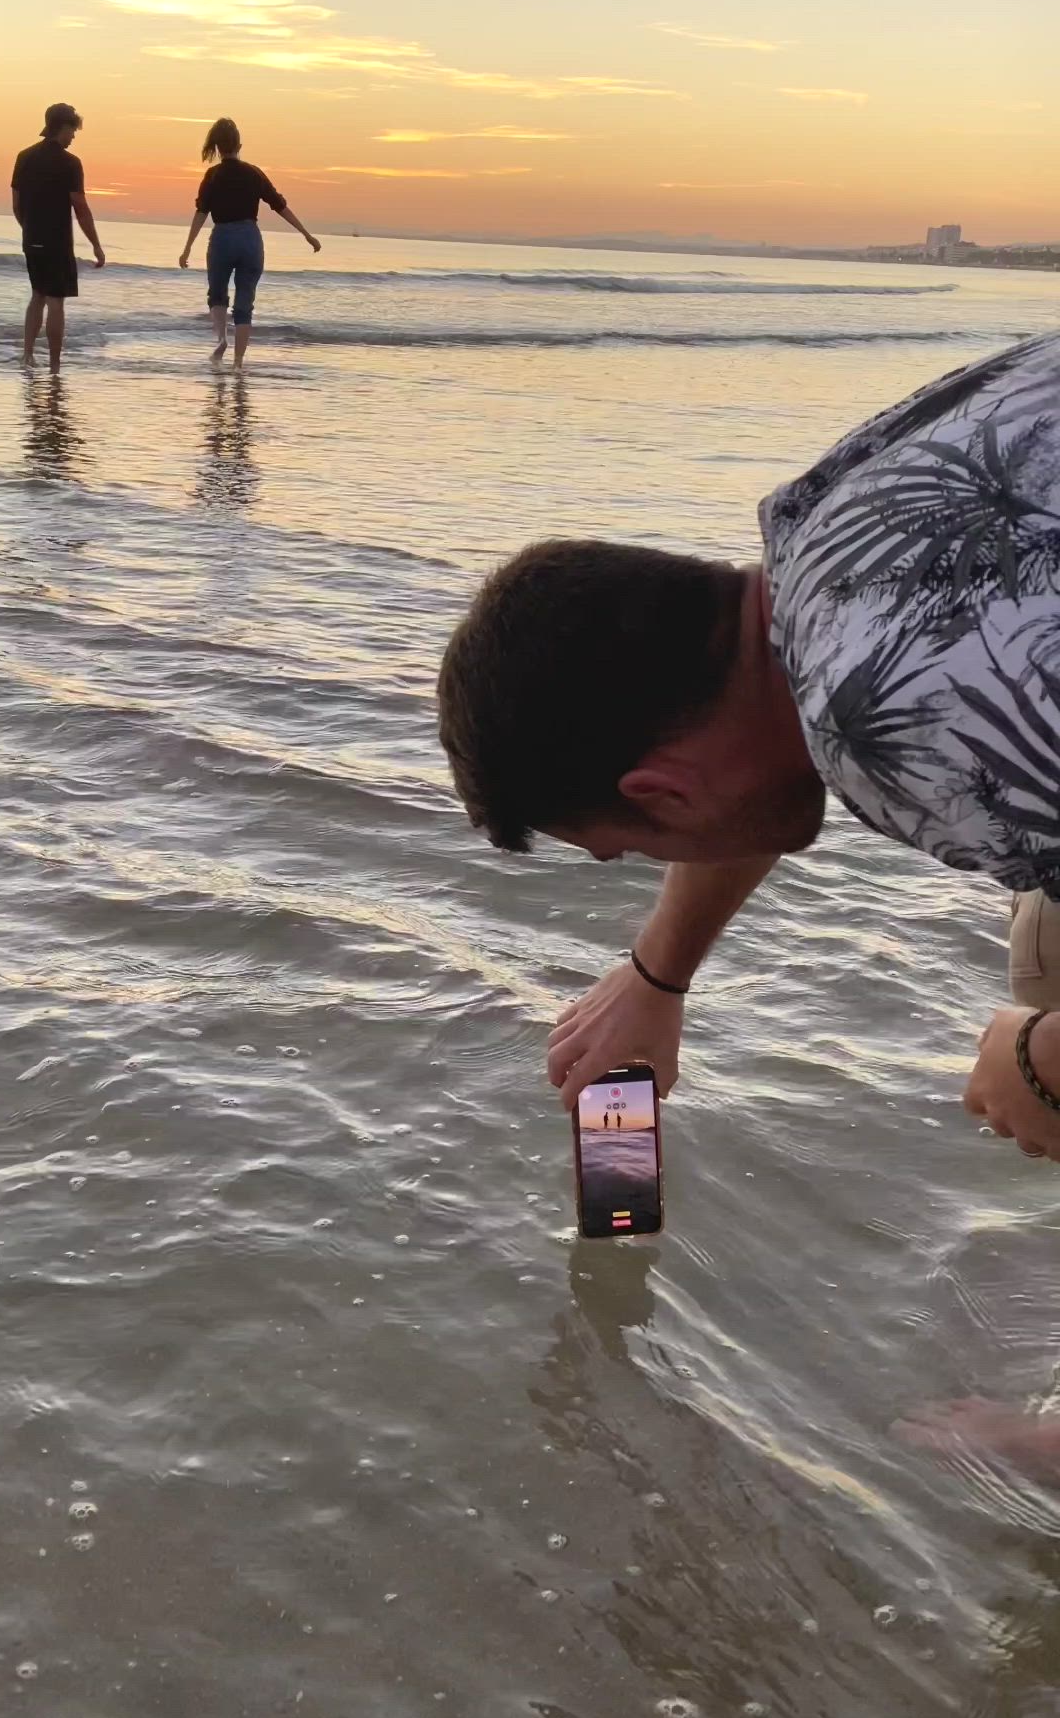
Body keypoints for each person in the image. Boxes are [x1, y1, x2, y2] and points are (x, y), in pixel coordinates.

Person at [437, 336, 1060, 1169]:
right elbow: (754, 765)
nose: (649, 854)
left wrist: (1042, 1064)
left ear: (665, 792)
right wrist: (657, 976)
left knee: (1041, 1018)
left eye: (629, 843)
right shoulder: (825, 522)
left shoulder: (911, 730)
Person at [178, 118, 320, 365]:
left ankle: (222, 339)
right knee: (245, 303)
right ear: (239, 145)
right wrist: (306, 234)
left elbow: (201, 213)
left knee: (218, 294)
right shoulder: (254, 173)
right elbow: (280, 206)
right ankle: (238, 363)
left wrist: (187, 247)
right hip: (250, 240)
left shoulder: (212, 175)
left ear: (218, 148)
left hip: (222, 238)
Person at [11, 103, 105, 371]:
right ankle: (54, 364)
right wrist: (96, 245)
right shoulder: (70, 163)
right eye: (72, 130)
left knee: (37, 296)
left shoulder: (24, 156)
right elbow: (81, 207)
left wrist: (28, 229)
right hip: (57, 241)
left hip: (31, 239)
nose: (73, 136)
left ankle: (27, 355)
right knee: (55, 302)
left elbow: (16, 203)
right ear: (62, 127)